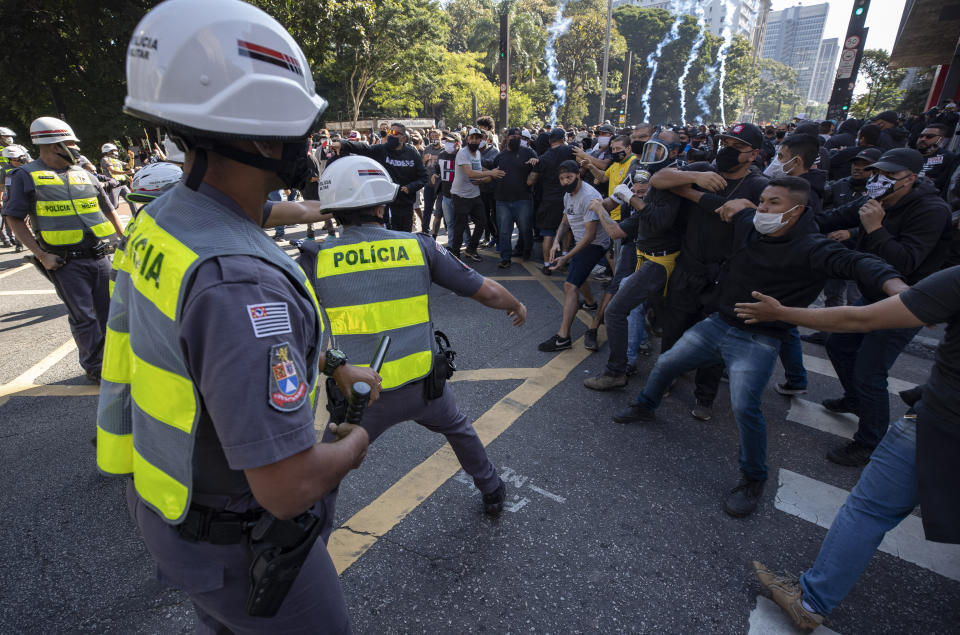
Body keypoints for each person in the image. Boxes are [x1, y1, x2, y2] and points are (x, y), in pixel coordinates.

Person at [97, 2, 381, 631]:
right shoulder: (243, 285)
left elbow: (213, 338)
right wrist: (355, 443)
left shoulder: (163, 219)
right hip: (243, 544)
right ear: (262, 136)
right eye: (301, 125)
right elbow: (287, 486)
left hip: (170, 512)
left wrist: (329, 363)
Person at [613, 177, 907, 517]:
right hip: (718, 323)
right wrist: (682, 187)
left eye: (773, 204)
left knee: (744, 407)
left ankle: (753, 479)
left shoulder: (813, 247)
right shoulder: (750, 224)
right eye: (762, 201)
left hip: (759, 338)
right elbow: (706, 201)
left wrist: (901, 290)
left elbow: (862, 264)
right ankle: (646, 406)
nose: (763, 209)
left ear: (797, 211)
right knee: (666, 363)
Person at [300, 154, 526, 520]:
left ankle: (308, 552)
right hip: (424, 388)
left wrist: (335, 365)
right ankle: (491, 488)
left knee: (325, 478)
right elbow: (485, 291)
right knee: (461, 430)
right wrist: (516, 304)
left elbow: (288, 340)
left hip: (362, 397)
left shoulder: (314, 259)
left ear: (333, 209)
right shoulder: (419, 246)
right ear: (382, 204)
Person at [736, 266, 960, 631]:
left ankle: (811, 601)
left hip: (939, 422)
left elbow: (864, 317)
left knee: (869, 510)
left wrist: (782, 313)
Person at [816, 148, 954, 466]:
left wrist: (876, 228)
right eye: (877, 174)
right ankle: (855, 400)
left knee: (870, 370)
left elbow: (906, 261)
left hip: (908, 301)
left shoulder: (931, 210)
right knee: (839, 345)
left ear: (911, 179)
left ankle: (869, 441)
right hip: (875, 293)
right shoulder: (877, 200)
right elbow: (832, 217)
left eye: (889, 177)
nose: (878, 181)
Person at [648, 122, 769, 421]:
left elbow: (757, 221)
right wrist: (695, 175)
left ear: (752, 155)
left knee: (715, 343)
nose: (726, 150)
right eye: (724, 142)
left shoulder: (759, 186)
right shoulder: (703, 168)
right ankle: (665, 380)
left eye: (736, 147)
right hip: (688, 268)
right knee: (673, 330)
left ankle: (705, 396)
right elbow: (659, 178)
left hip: (724, 277)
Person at [2, 116, 123, 383]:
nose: (76, 149)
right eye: (70, 144)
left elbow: (108, 208)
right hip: (66, 261)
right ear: (54, 145)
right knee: (85, 316)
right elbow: (14, 218)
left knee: (108, 312)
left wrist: (123, 239)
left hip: (100, 254)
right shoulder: (25, 176)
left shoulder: (84, 172)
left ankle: (116, 360)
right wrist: (42, 255)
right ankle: (96, 366)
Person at [801, 147, 882, 345]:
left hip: (860, 252)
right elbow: (828, 212)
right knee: (832, 293)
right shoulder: (839, 186)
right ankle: (827, 332)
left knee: (855, 297)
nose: (858, 169)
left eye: (865, 166)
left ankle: (848, 338)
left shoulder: (879, 194)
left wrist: (851, 232)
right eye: (856, 164)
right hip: (833, 249)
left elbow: (879, 223)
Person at [537, 160, 610, 352]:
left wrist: (567, 255)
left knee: (570, 285)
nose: (565, 181)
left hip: (595, 244)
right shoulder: (568, 195)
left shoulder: (588, 196)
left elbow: (591, 235)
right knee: (577, 273)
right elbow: (564, 222)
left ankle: (563, 337)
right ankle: (591, 303)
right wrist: (555, 242)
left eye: (569, 177)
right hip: (581, 242)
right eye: (562, 178)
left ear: (578, 175)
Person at [333, 122, 427, 232]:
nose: (390, 135)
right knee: (390, 236)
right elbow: (364, 148)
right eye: (389, 132)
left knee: (404, 235)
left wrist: (410, 187)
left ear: (403, 137)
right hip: (387, 204)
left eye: (394, 133)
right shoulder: (382, 150)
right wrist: (343, 144)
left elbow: (423, 177)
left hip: (406, 205)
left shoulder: (412, 153)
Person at [450, 127, 504, 261]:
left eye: (477, 138)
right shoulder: (463, 153)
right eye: (471, 138)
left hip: (474, 195)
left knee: (482, 222)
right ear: (467, 139)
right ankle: (455, 254)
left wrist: (490, 172)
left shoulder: (477, 154)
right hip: (460, 196)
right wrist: (490, 173)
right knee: (460, 226)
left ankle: (471, 250)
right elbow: (470, 173)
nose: (474, 140)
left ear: (481, 140)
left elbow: (478, 168)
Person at [528, 128, 575, 274]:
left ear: (550, 141)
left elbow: (530, 181)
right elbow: (583, 166)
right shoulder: (571, 151)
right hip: (568, 197)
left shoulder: (543, 157)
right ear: (563, 138)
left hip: (548, 199)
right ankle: (564, 260)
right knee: (566, 231)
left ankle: (547, 265)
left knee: (547, 233)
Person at [492, 127, 538, 268]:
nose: (516, 138)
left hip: (523, 199)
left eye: (519, 136)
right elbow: (493, 173)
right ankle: (505, 258)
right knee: (505, 231)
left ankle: (527, 251)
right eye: (513, 136)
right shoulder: (500, 156)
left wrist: (535, 163)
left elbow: (538, 166)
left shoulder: (528, 152)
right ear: (507, 138)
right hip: (502, 201)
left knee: (525, 228)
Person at [0, 144, 30, 250]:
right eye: (13, 159)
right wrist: (0, 198)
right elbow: (2, 186)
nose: (16, 161)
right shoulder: (5, 170)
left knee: (25, 222)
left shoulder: (27, 167)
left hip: (27, 196)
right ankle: (19, 244)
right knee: (15, 221)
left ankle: (23, 242)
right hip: (11, 198)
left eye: (18, 159)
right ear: (9, 160)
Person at [916, 122, 957, 197]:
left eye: (929, 136)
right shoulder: (909, 154)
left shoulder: (949, 158)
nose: (923, 139)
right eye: (921, 136)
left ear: (941, 139)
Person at [100, 143, 134, 209]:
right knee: (114, 206)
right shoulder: (105, 160)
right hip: (113, 185)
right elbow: (112, 171)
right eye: (114, 150)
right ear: (108, 151)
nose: (116, 152)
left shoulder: (117, 160)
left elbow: (130, 166)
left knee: (132, 200)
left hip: (122, 184)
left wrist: (132, 157)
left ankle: (136, 216)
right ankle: (108, 216)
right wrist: (127, 172)